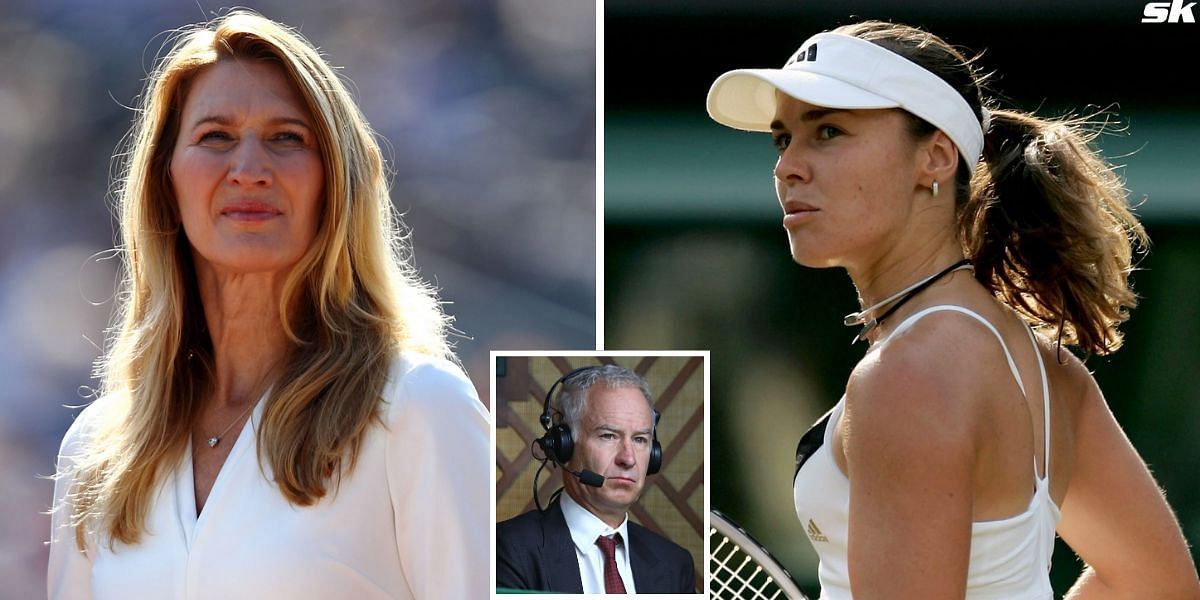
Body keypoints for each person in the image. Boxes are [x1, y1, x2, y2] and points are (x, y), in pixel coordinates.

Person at [707, 20, 1200, 600]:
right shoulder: (1049, 370)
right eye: (782, 138)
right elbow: (1156, 584)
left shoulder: (905, 378)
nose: (787, 166)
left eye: (830, 131)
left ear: (935, 158)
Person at [47, 11, 489, 599]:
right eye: (215, 137)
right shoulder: (99, 447)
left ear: (335, 181)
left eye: (287, 138)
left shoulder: (419, 407)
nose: (250, 170)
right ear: (166, 182)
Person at [496, 365, 695, 594]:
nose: (628, 459)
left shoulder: (675, 564)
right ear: (563, 447)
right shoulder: (506, 549)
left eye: (640, 439)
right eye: (608, 436)